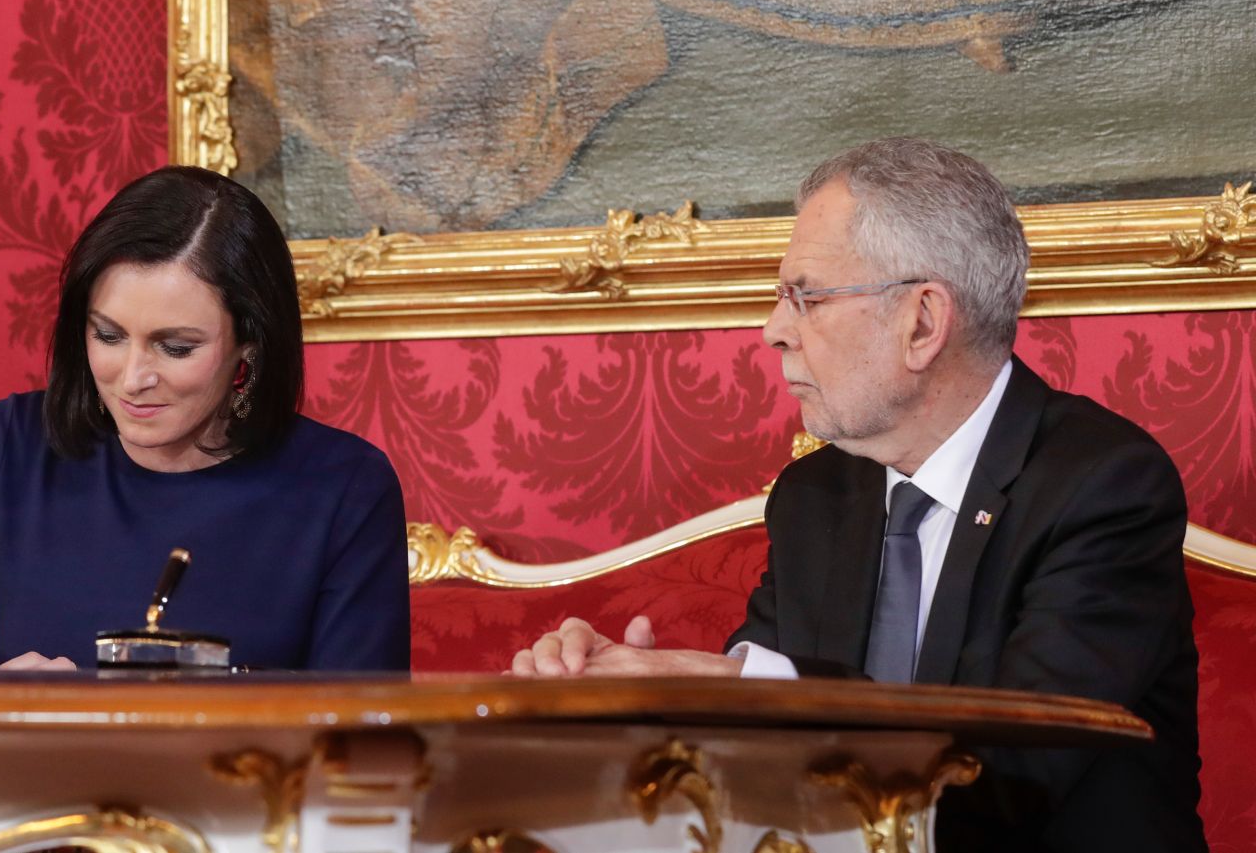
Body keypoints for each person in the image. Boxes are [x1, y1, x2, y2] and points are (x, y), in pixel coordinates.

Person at [510, 138, 1205, 852]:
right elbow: (759, 761)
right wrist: (627, 702)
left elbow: (1001, 776)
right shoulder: (815, 496)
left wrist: (734, 679)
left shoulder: (1102, 486)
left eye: (805, 297)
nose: (774, 330)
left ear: (923, 323)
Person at [0, 166, 410, 672]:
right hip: (37, 788)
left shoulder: (344, 487)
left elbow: (364, 751)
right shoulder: (8, 449)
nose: (133, 377)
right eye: (109, 336)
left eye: (175, 347)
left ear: (249, 345)